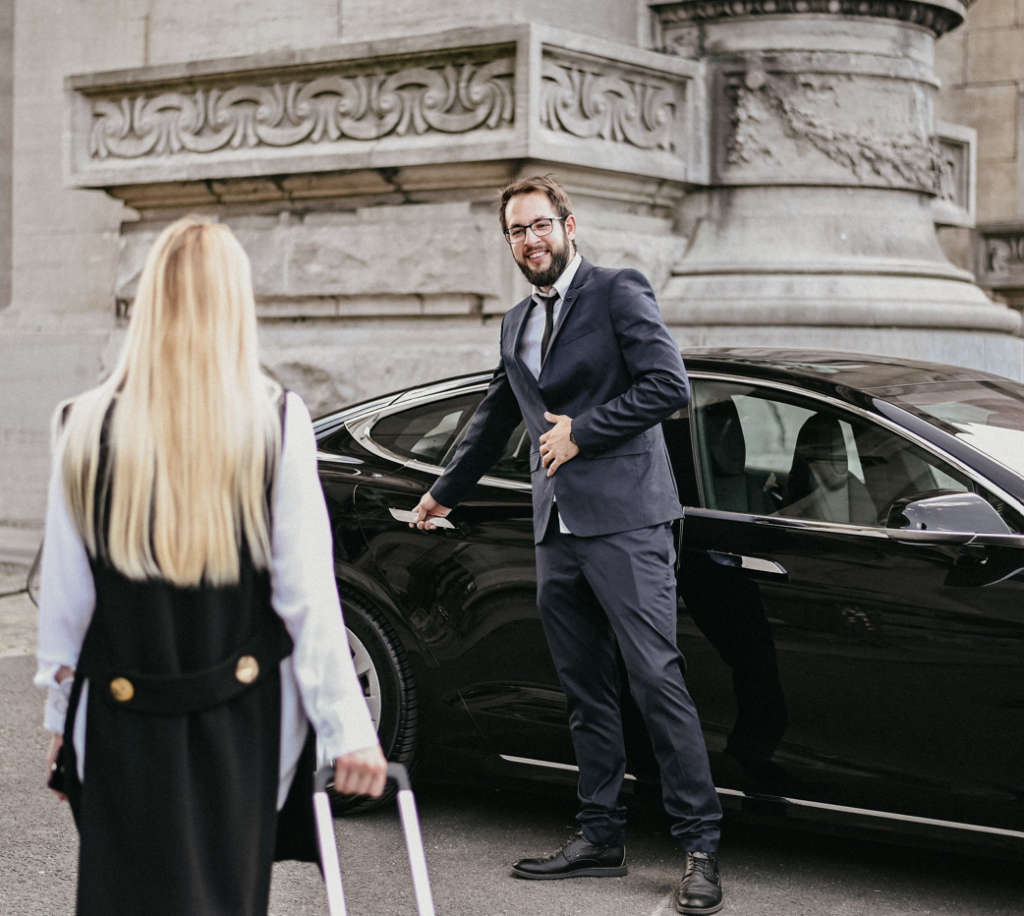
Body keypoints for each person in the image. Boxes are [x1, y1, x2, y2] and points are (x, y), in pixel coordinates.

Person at [34, 216, 387, 916]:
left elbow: (69, 614)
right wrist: (349, 731)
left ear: (150, 301)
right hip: (240, 722)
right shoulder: (277, 422)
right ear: (235, 303)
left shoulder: (81, 424)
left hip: (120, 716)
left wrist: (59, 723)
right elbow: (308, 599)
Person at [410, 176, 724, 914]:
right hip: (556, 528)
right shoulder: (515, 320)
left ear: (569, 225)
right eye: (517, 232)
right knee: (585, 690)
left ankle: (700, 846)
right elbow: (496, 414)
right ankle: (600, 835)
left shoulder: (618, 290)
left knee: (656, 680)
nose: (531, 241)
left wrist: (583, 430)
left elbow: (667, 386)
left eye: (541, 225)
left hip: (628, 520)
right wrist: (442, 492)